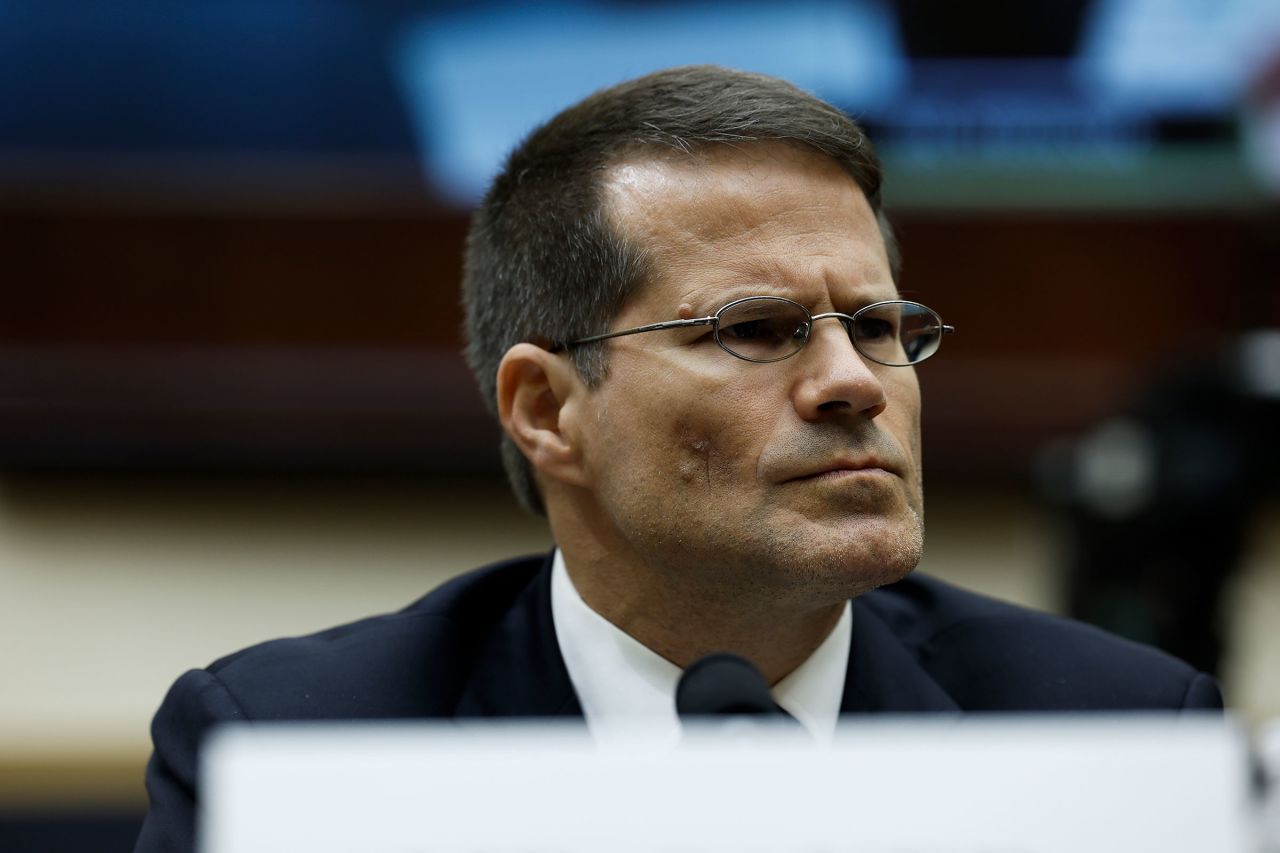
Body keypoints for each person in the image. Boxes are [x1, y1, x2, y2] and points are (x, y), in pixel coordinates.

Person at [134, 66, 1221, 853]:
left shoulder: (1114, 728)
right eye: (753, 329)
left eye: (880, 326)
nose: (851, 381)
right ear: (546, 409)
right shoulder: (297, 746)